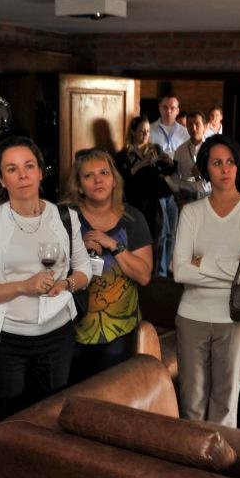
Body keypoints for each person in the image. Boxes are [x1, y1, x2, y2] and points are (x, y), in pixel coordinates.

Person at [0, 136, 90, 452]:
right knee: (6, 423)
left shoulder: (65, 217)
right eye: (12, 169)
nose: (22, 175)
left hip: (57, 338)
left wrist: (66, 285)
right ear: (1, 179)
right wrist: (22, 286)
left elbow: (84, 270)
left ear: (41, 172)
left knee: (51, 419)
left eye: (29, 166)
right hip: (6, 343)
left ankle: (44, 476)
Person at [173, 134, 240, 428]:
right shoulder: (192, 212)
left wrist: (201, 263)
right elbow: (179, 271)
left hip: (236, 318)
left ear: (238, 166)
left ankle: (221, 459)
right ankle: (190, 458)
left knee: (225, 405)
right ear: (205, 169)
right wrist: (234, 266)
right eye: (216, 163)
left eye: (230, 162)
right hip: (192, 315)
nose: (225, 169)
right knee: (192, 404)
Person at [65, 148, 153, 380]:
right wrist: (78, 251)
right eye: (89, 175)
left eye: (104, 173)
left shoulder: (133, 218)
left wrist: (114, 245)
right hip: (69, 332)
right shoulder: (64, 218)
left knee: (114, 395)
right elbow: (46, 271)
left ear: (114, 180)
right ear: (79, 186)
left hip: (119, 334)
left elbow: (144, 276)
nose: (98, 180)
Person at [115, 116, 175, 256]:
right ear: (133, 132)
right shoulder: (124, 154)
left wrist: (169, 162)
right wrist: (142, 163)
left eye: (148, 131)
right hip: (135, 201)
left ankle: (156, 268)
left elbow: (167, 171)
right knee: (137, 240)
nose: (145, 134)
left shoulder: (155, 149)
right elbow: (123, 177)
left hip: (154, 201)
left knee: (158, 238)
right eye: (142, 131)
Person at [149, 95, 189, 276]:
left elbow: (187, 162)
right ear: (160, 108)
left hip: (177, 187)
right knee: (161, 231)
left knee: (173, 231)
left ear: (178, 110)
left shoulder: (184, 132)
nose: (168, 111)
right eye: (165, 107)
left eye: (172, 108)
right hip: (159, 185)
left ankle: (169, 266)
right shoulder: (151, 129)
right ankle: (160, 271)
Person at [172, 111, 212, 205]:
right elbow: (175, 176)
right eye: (190, 125)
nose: (193, 128)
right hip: (186, 198)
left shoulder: (212, 149)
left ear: (204, 126)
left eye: (197, 124)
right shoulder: (180, 150)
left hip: (208, 197)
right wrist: (178, 197)